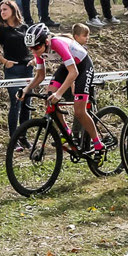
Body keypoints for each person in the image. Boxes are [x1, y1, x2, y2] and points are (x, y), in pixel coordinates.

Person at [19, 23, 105, 159]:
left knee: (79, 111)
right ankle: (67, 133)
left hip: (82, 67)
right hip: (67, 67)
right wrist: (26, 89)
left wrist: (59, 93)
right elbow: (40, 75)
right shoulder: (39, 50)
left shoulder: (57, 43)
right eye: (31, 49)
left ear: (46, 42)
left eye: (36, 47)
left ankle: (98, 144)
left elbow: (74, 72)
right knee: (49, 98)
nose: (34, 52)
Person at [0, 0, 32, 136]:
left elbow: (35, 46)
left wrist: (35, 59)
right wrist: (5, 62)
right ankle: (14, 137)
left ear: (13, 10)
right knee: (16, 103)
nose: (3, 12)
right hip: (13, 70)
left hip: (27, 68)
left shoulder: (25, 27)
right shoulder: (1, 29)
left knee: (26, 104)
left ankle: (24, 137)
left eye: (5, 9)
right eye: (1, 10)